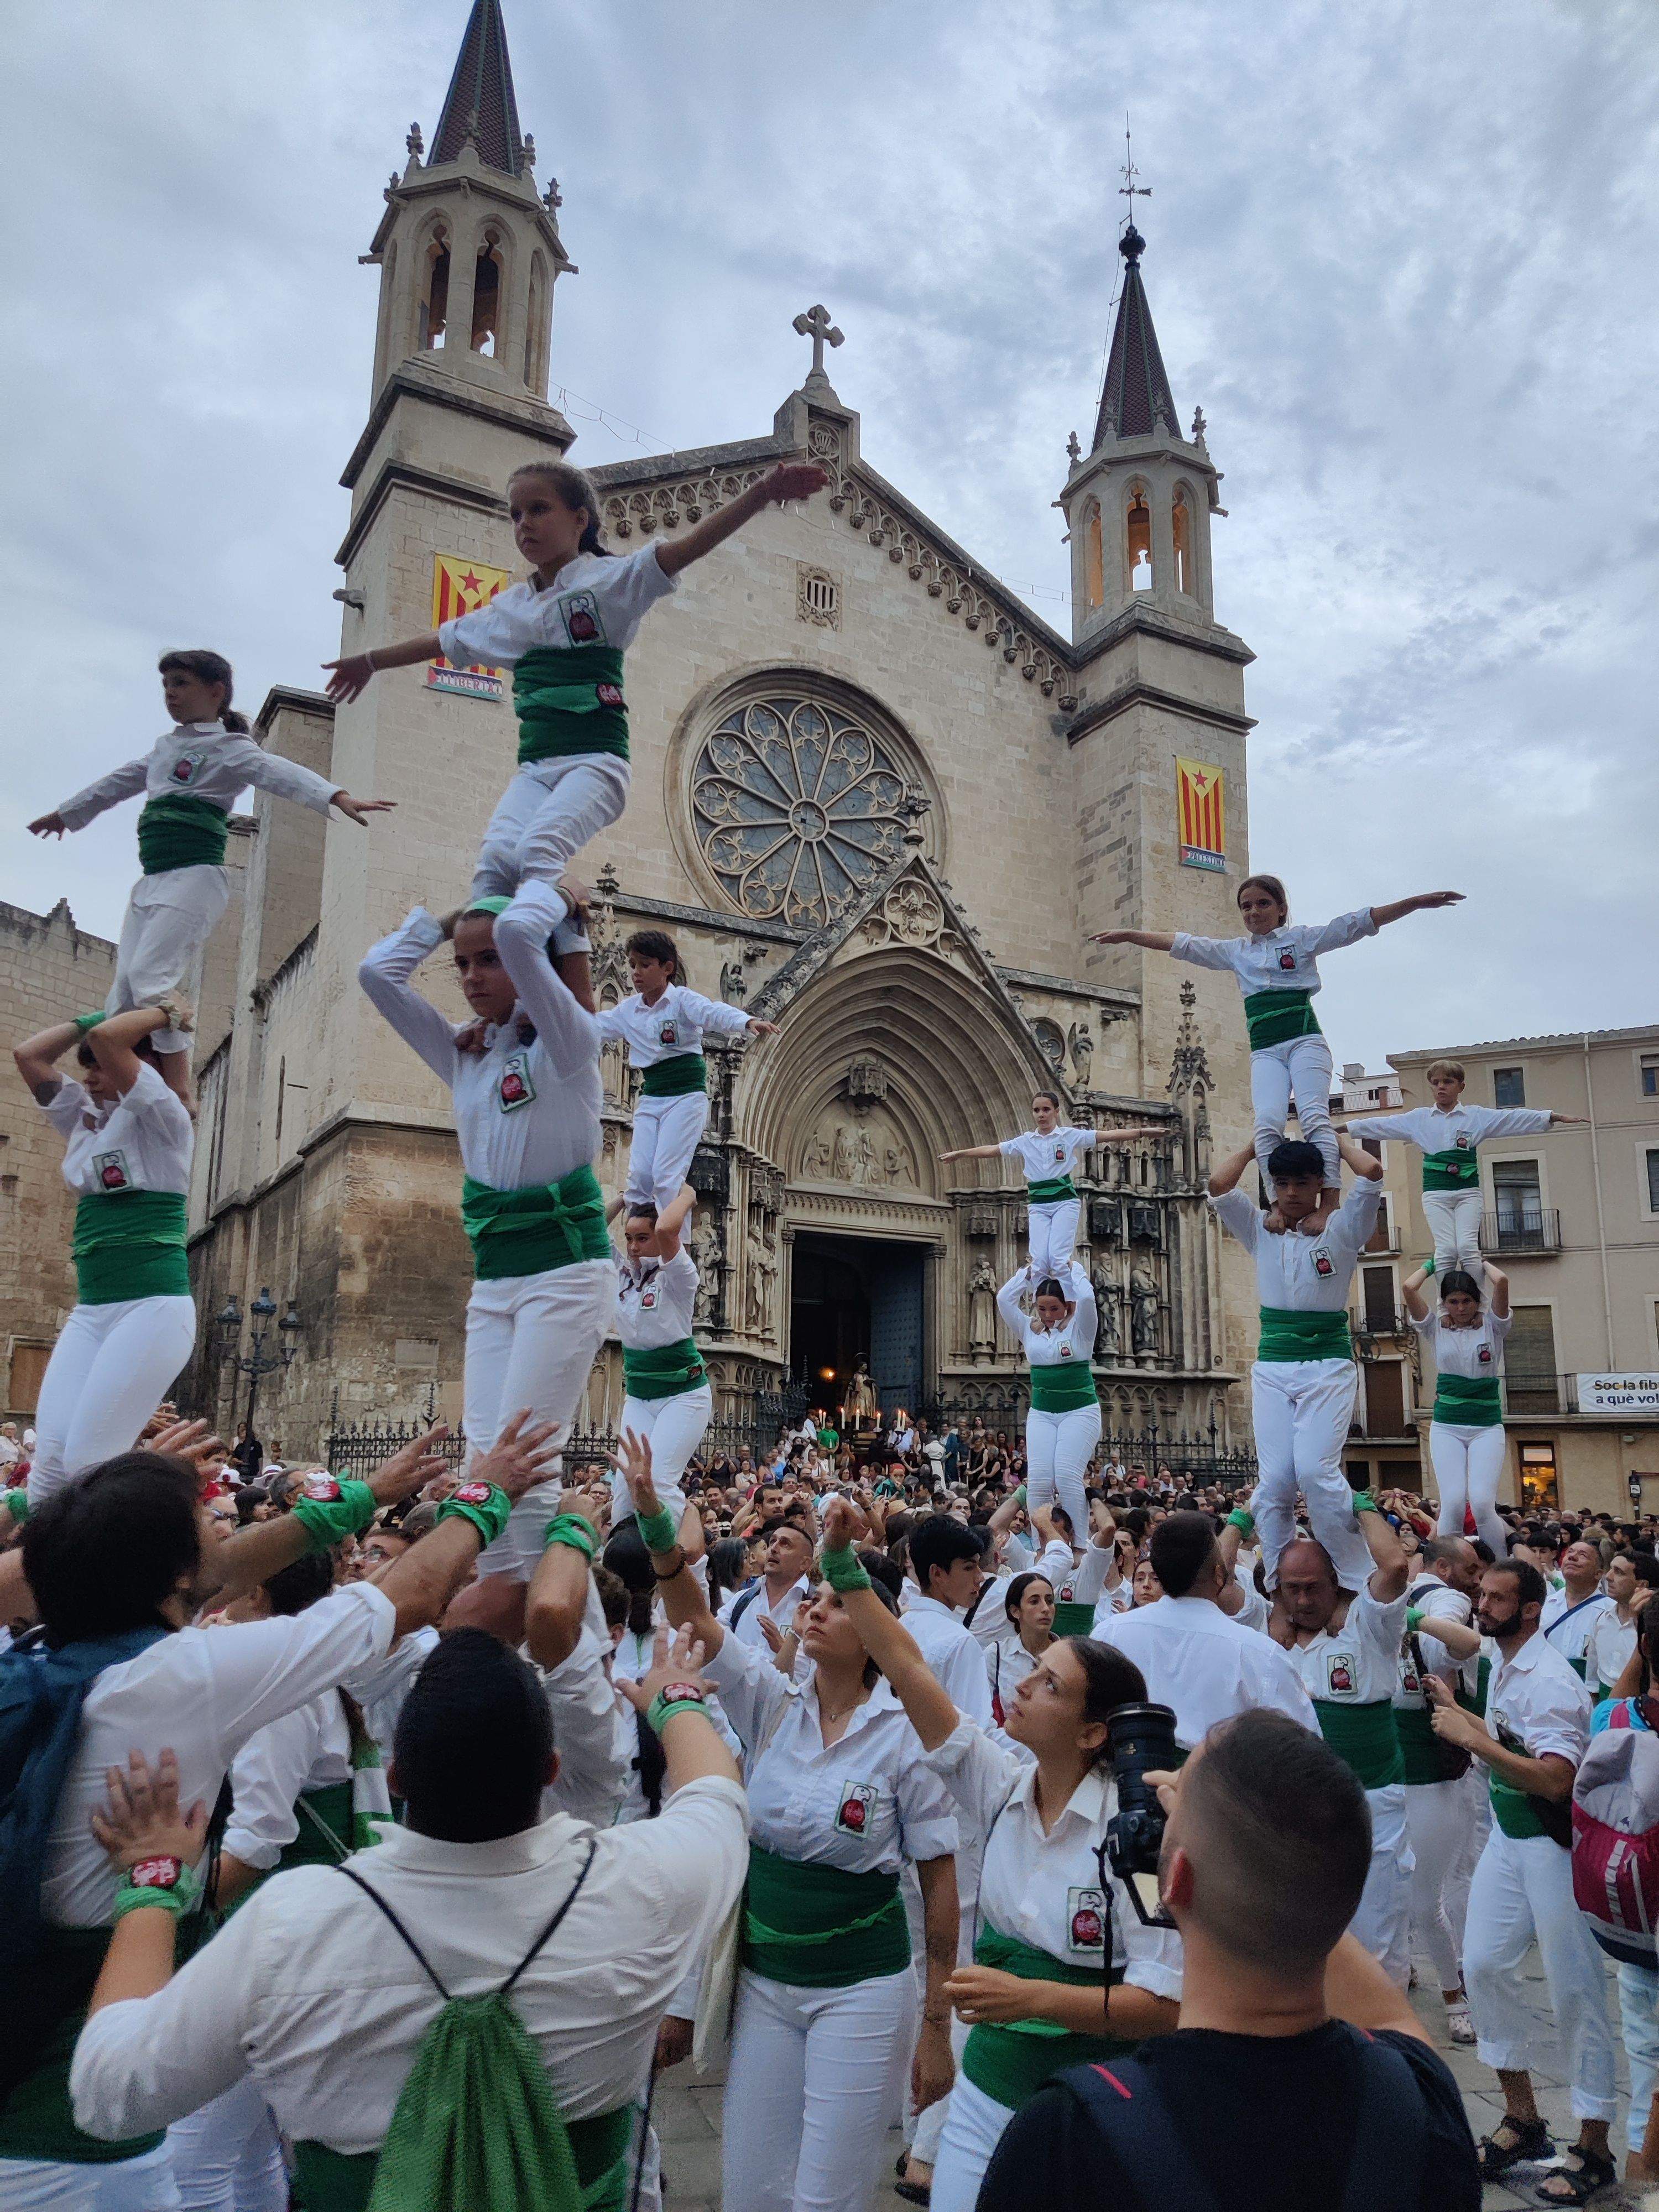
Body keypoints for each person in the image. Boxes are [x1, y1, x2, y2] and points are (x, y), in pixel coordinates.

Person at [0, 1420, 551, 2201]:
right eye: (208, 1521)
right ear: (172, 1571)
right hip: (79, 2160)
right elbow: (412, 1596)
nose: (229, 1530)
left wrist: (360, 1499)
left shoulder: (41, 1656)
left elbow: (211, 1576)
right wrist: (485, 1494)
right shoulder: (183, 1680)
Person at [68, 1624, 745, 2211]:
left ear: (395, 1776)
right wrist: (672, 1695)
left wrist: (153, 1883)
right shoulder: (643, 1884)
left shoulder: (292, 1923)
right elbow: (716, 1797)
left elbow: (109, 2092)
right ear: (551, 1770)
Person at [619, 1438, 961, 2212]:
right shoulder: (774, 1706)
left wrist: (937, 2027)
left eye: (835, 1602)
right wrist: (653, 1521)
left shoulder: (905, 1735)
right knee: (750, 2187)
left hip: (864, 1989)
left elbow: (941, 1889)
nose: (813, 1607)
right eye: (813, 1597)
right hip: (768, 1981)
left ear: (877, 1629)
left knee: (825, 2197)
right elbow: (697, 1620)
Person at [825, 1500, 1181, 2212]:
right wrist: (842, 1567)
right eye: (1034, 1670)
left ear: (1091, 1734)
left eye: (1051, 1684)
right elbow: (908, 1669)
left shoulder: (1139, 1834)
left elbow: (1165, 2005)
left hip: (1092, 2103)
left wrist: (1032, 1999)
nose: (1021, 1684)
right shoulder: (1002, 1784)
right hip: (985, 2090)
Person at [978, 1710, 1480, 2212]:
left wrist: (1189, 1846)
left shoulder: (1069, 2134)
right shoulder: (1414, 2093)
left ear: (1173, 1884)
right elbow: (1383, 2002)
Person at [324, 457, 828, 907]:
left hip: (595, 760)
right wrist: (369, 660)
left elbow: (687, 548)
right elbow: (442, 641)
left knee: (540, 847)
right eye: (515, 515)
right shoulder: (512, 610)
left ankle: (565, 932)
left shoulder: (609, 583)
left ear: (580, 519)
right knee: (497, 861)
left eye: (539, 510)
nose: (524, 525)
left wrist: (761, 493)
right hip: (537, 765)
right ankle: (503, 985)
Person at [358, 882, 612, 1623]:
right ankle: (537, 1617)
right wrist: (455, 917)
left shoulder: (571, 1047)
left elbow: (550, 981)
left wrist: (549, 916)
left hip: (565, 1272)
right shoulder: (465, 1058)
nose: (470, 977)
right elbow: (378, 975)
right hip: (498, 1277)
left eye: (488, 962)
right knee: (485, 1457)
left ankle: (538, 1624)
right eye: (461, 964)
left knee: (526, 1455)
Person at [29, 650, 390, 1103]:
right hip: (152, 881)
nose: (171, 694)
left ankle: (181, 1089)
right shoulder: (165, 749)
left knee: (151, 984)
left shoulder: (228, 749)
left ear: (215, 692)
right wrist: (67, 815)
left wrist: (336, 796)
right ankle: (124, 1095)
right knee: (122, 1000)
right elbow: (116, 783)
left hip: (193, 877)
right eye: (167, 686)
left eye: (181, 684)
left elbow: (279, 772)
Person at [1425, 1557, 1619, 2199]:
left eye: (1497, 1598)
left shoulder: (1552, 1682)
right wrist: (1462, 1712)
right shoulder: (1502, 1660)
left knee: (1575, 1991)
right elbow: (1514, 1740)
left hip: (1555, 1848)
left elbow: (1557, 1777)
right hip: (1512, 1838)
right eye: (1482, 1594)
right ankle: (1524, 2118)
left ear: (1530, 1609)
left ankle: (1593, 2146)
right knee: (1481, 1965)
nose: (1483, 1605)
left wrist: (1472, 1740)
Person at [1093, 874, 1462, 1198]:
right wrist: (1130, 935)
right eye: (1246, 906)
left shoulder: (1301, 941)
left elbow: (1355, 925)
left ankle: (1330, 1196)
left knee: (1314, 1116)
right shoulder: (1235, 952)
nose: (1254, 912)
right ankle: (1276, 1200)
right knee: (1267, 1122)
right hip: (1266, 1051)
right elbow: (1184, 944)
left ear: (1281, 909)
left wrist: (1413, 904)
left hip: (1305, 1043)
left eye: (1263, 904)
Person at [13, 1004, 197, 1507]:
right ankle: (42, 1572)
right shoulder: (85, 1120)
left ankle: (110, 1571)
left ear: (145, 1071)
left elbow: (117, 1043)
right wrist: (94, 1015)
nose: (90, 1077)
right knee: (48, 1468)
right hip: (93, 1311)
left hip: (151, 1308)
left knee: (87, 1464)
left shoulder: (163, 1117)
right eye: (86, 1065)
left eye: (97, 1065)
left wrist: (158, 1010)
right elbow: (28, 1055)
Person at [1208, 1130, 1385, 1589]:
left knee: (1314, 1470)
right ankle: (1281, 1580)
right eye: (1281, 1183)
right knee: (1277, 1481)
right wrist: (1252, 1149)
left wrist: (1337, 1142)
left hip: (1326, 1366)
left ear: (1319, 1184)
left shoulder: (1343, 1228)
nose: (1290, 1193)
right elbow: (1219, 1186)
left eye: (1302, 1184)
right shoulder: (1260, 1230)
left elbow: (1372, 1174)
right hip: (1273, 1368)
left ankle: (1354, 1576)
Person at [1268, 1509, 1414, 1986]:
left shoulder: (1368, 1628)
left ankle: (1386, 2047)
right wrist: (1256, 1510)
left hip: (1372, 1803)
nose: (1305, 1599)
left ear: (1339, 1584)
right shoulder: (1268, 1635)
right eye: (1293, 1588)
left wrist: (1354, 1499)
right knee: (1298, 1939)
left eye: (1315, 1586)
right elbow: (1216, 1577)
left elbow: (1393, 1567)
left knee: (1374, 1939)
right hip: (1292, 1814)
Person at [597, 933, 776, 1230]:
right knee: (641, 1175)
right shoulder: (628, 1011)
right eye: (632, 965)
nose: (636, 972)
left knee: (667, 1175)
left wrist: (746, 1022)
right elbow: (593, 1026)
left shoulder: (681, 1000)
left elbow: (712, 1012)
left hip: (685, 1096)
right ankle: (640, 1245)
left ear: (667, 968)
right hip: (652, 1095)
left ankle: (674, 1249)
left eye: (644, 965)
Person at [1100, 1512, 1317, 1748]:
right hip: (1220, 1779)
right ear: (1218, 1575)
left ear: (1159, 1576)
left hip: (1129, 1775)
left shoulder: (1110, 1634)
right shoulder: (1260, 1654)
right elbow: (1304, 1749)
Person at [1348, 1060, 1583, 1274]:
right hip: (1436, 1193)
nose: (1441, 1087)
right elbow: (1380, 1125)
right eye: (1436, 1082)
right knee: (1447, 1250)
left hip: (1468, 1192)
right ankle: (1445, 1308)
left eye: (1448, 1082)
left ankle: (1477, 1307)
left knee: (1469, 1249)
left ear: (1460, 1086)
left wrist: (1553, 1117)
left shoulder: (1475, 1117)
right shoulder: (1419, 1119)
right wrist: (1341, 1129)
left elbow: (1511, 1118)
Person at [1396, 1536, 1483, 2044]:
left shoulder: (1441, 1598)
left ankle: (1455, 1995)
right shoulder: (1373, 1595)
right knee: (1395, 1889)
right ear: (1443, 1565)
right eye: (1470, 1568)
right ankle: (1403, 1965)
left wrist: (1410, 1626)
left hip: (1431, 1767)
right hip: (1387, 1767)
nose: (1477, 1578)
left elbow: (1453, 1644)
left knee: (1425, 1895)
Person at [938, 1097, 1161, 1276]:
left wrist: (1141, 1133)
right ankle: (1043, 1306)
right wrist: (961, 1154)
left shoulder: (1069, 1136)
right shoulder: (1025, 1141)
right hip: (1039, 1204)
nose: (1041, 1115)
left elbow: (1106, 1136)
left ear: (1056, 1111)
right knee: (1039, 1261)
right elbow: (993, 1150)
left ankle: (1074, 1293)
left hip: (1064, 1201)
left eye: (1046, 1109)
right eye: (1037, 1110)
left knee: (1057, 1257)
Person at [607, 1184, 711, 1538]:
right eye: (629, 1239)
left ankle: (683, 1564)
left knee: (658, 1483)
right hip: (640, 1395)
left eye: (642, 1239)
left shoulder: (678, 1278)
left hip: (683, 1395)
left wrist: (685, 1196)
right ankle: (627, 1570)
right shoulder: (621, 1275)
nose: (634, 1248)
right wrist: (626, 1196)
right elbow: (586, 1229)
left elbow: (668, 1228)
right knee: (625, 1486)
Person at [1403, 1258, 1513, 1557]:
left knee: (1480, 1503)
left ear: (1477, 1302)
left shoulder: (1493, 1326)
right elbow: (1408, 1287)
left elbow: (1501, 1280)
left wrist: (1476, 1260)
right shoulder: (1435, 1329)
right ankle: (1443, 1567)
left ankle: (1501, 1564)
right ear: (1445, 1303)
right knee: (1451, 1501)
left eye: (1467, 1301)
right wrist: (1434, 1263)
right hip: (1447, 1427)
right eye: (1453, 1301)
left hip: (1486, 1427)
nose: (1461, 1308)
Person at [994, 1262, 1100, 1542]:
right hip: (1042, 1412)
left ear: (1067, 1305)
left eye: (1054, 1308)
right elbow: (1003, 1299)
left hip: (1079, 1411)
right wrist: (1027, 1274)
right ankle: (1042, 1543)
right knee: (1039, 1481)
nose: (1048, 1315)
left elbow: (1088, 1298)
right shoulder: (1030, 1328)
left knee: (1066, 1476)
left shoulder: (1081, 1328)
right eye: (1042, 1309)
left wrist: (1073, 1270)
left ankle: (1079, 1544)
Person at [721, 1517, 816, 1651]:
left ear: (804, 1563)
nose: (774, 1549)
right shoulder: (741, 1600)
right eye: (772, 1542)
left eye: (785, 1544)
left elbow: (822, 1667)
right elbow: (713, 1638)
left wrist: (787, 1651)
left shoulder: (815, 1606)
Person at [1583, 1548, 1658, 1699]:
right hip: (1604, 1701)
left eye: (1619, 1572)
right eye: (1611, 1569)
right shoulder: (1602, 1619)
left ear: (1642, 1585)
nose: (1608, 1577)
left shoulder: (1653, 1627)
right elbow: (1593, 1671)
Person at [1540, 1537, 1615, 1682]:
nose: (1572, 1557)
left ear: (1598, 1573)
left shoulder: (1610, 1612)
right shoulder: (1544, 1606)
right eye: (1570, 1553)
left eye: (1583, 1555)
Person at [987, 1572, 1055, 1723]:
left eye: (1050, 1601)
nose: (1045, 1608)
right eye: (1034, 1602)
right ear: (1015, 1611)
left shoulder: (1067, 1654)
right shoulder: (996, 1655)